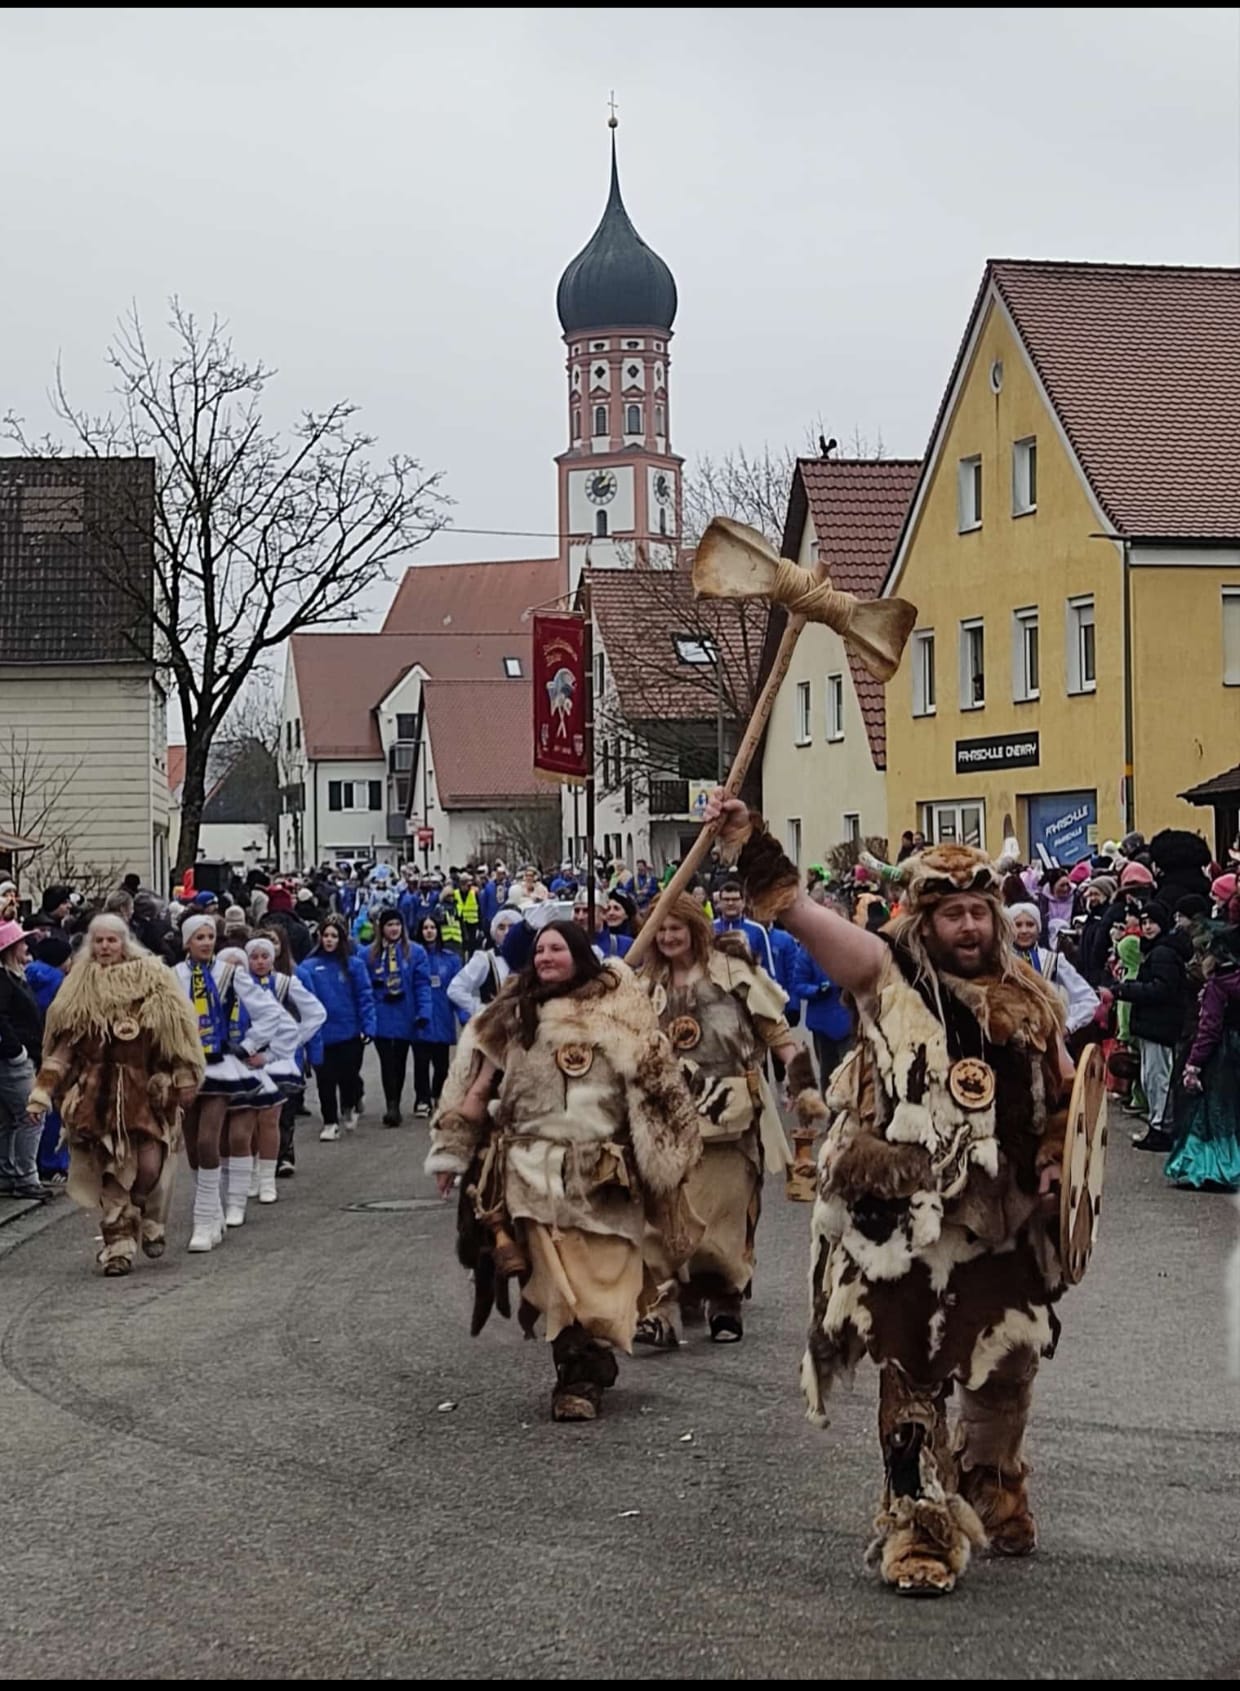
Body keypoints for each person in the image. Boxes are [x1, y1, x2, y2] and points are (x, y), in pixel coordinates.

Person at [706, 793, 1075, 1597]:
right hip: (906, 1219)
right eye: (953, 915)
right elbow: (801, 913)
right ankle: (918, 1526)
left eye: (979, 912)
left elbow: (1067, 1101)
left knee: (1005, 1368)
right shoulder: (887, 976)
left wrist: (1056, 1161)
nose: (969, 927)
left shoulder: (1032, 999)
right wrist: (749, 841)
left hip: (1004, 1220)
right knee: (913, 1373)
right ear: (925, 921)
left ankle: (990, 1481)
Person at [426, 919, 701, 1422]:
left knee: (603, 1280)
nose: (546, 957)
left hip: (603, 1175)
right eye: (540, 950)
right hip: (532, 1172)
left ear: (578, 954)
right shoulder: (512, 1015)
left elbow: (658, 1084)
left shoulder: (620, 1009)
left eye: (557, 948)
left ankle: (592, 1353)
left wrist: (668, 1155)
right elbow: (476, 1089)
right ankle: (575, 1376)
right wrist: (453, 1150)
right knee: (556, 1282)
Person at [634, 895, 810, 1347]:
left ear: (695, 928)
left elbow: (776, 1031)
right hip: (663, 1115)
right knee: (662, 1214)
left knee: (722, 1217)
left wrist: (802, 1083)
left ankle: (723, 1300)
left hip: (728, 1115)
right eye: (661, 929)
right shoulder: (644, 982)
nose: (668, 937)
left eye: (676, 928)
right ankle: (662, 1310)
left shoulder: (731, 972)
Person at [26, 915, 205, 1273]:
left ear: (124, 943)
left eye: (112, 940)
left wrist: (183, 1078)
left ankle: (144, 1211)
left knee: (150, 1168)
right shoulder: (78, 989)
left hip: (146, 1094)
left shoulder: (154, 981)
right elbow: (62, 1051)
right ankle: (118, 1247)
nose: (105, 947)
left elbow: (175, 1038)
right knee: (109, 1172)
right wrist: (41, 1093)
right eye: (99, 941)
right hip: (97, 1098)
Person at [174, 914, 294, 1248]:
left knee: (207, 1140)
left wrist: (249, 1046)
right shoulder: (173, 975)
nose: (206, 942)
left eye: (210, 936)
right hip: (187, 1065)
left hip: (220, 1065)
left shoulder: (229, 973)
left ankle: (203, 1220)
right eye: (199, 937)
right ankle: (213, 1212)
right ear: (186, 942)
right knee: (192, 1144)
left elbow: (269, 1011)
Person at [232, 935, 325, 1203]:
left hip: (276, 1062)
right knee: (247, 1122)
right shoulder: (240, 985)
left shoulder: (284, 983)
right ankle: (251, 1173)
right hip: (245, 1061)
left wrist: (292, 1043)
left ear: (273, 959)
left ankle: (267, 1178)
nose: (260, 962)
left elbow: (316, 1013)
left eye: (265, 957)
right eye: (254, 957)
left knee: (271, 1119)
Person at [1113, 901, 1191, 1153]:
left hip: (1160, 1025)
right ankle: (1158, 1126)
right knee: (1151, 1077)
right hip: (1153, 1025)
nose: (1147, 927)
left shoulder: (1163, 953)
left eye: (1152, 922)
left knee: (1158, 1079)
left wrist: (1127, 989)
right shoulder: (1158, 951)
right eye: (1144, 922)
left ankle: (1161, 1128)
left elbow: (1162, 989)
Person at [1167, 926, 1240, 1191]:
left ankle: (1213, 1168)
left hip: (1222, 1055)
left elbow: (1209, 1028)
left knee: (1212, 1111)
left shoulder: (1218, 986)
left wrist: (1194, 1063)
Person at [299, 916, 376, 1142]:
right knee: (325, 1079)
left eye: (334, 936)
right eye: (326, 936)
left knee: (348, 1075)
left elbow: (365, 997)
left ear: (341, 939)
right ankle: (330, 1122)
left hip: (349, 1032)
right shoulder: (308, 968)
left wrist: (368, 1026)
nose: (329, 940)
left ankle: (350, 1104)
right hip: (321, 1034)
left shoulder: (354, 965)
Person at [367, 909, 432, 1126]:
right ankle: (392, 1105)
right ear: (381, 928)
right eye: (389, 925)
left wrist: (424, 1011)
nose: (394, 929)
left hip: (406, 1013)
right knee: (387, 1061)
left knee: (399, 1060)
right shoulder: (369, 954)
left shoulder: (416, 952)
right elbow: (363, 987)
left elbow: (422, 984)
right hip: (381, 1013)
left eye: (397, 924)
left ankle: (396, 1101)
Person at [1008, 905, 1101, 1044]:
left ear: (1038, 929)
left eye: (1030, 924)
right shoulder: (1000, 962)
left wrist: (1068, 1025)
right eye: (1018, 925)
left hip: (1048, 1041)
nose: (1024, 930)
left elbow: (1089, 1000)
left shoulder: (1053, 961)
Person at [0, 919, 44, 1201]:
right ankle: (26, 1176)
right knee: (32, 1114)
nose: (27, 946)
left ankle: (7, 1173)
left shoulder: (14, 977)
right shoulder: (4, 981)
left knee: (9, 1119)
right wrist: (17, 1051)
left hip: (17, 1055)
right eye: (22, 943)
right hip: (14, 1060)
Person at [25, 933, 72, 1185]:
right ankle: (54, 1163)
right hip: (53, 1050)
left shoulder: (24, 975)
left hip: (28, 1048)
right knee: (54, 1109)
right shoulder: (60, 983)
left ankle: (33, 1161)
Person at [413, 913, 462, 1117]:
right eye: (425, 928)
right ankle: (422, 1099)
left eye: (432, 927)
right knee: (421, 1063)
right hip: (420, 1019)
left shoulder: (451, 959)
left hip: (442, 1017)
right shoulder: (413, 956)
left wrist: (464, 1016)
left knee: (442, 1064)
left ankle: (438, 1095)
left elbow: (458, 990)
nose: (429, 931)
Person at [793, 933, 854, 1093]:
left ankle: (852, 1104)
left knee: (850, 1071)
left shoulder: (850, 946)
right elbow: (798, 984)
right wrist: (817, 991)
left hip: (848, 1021)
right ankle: (829, 1104)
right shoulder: (808, 950)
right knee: (828, 1071)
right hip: (822, 1025)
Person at [448, 908, 520, 1021]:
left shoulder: (530, 958)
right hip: (495, 1026)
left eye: (512, 927)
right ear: (494, 932)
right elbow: (455, 989)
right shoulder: (485, 959)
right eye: (501, 928)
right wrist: (482, 1010)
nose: (507, 932)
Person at [713, 880, 775, 972]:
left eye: (735, 899)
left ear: (743, 902)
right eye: (726, 899)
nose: (730, 903)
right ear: (719, 903)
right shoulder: (709, 929)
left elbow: (767, 968)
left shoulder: (757, 930)